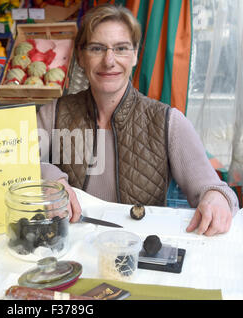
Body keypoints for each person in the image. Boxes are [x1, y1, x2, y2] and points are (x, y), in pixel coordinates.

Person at [36, 4, 239, 236]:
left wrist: (217, 198)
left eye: (121, 48)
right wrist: (51, 179)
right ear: (81, 57)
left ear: (134, 55)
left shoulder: (168, 121)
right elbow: (13, 164)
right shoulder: (53, 113)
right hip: (70, 252)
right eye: (96, 48)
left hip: (138, 256)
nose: (109, 60)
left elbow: (215, 189)